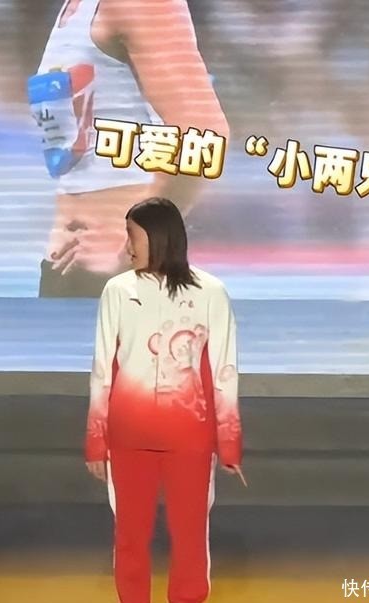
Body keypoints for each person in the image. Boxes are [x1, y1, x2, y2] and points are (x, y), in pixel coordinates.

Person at [85, 197, 245, 603]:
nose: (127, 246)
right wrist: (96, 441)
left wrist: (228, 443)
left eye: (132, 236)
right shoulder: (117, 291)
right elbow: (103, 369)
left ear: (158, 237)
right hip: (128, 435)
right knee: (129, 536)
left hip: (189, 437)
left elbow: (224, 370)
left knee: (190, 536)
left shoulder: (210, 292)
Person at [29, 0, 230, 297]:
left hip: (120, 274)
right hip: (67, 271)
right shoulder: (74, 9)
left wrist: (135, 250)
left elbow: (203, 136)